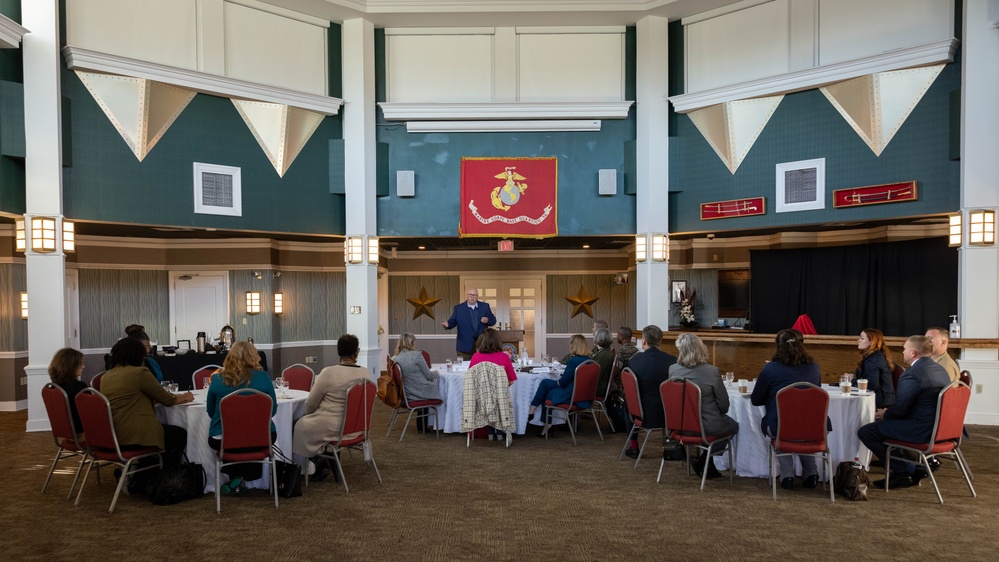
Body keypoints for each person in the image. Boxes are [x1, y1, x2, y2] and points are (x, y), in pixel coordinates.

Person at [858, 335, 952, 489]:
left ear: (913, 353)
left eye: (905, 349)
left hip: (922, 429)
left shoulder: (912, 374)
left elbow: (901, 409)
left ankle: (907, 470)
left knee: (867, 431)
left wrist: (885, 414)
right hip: (942, 428)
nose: (903, 352)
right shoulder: (940, 369)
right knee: (885, 424)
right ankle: (909, 467)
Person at [100, 338, 194, 489]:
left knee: (167, 432)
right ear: (137, 355)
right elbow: (167, 399)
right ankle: (161, 479)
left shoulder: (106, 377)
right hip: (136, 433)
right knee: (179, 434)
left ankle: (142, 476)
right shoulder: (139, 373)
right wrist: (186, 396)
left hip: (114, 433)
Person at [750, 329, 821, 490]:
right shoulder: (813, 367)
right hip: (814, 427)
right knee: (803, 426)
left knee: (783, 423)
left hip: (780, 426)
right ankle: (811, 472)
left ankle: (787, 474)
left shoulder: (771, 369)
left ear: (778, 347)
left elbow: (756, 400)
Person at [205, 341, 277, 493]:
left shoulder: (217, 379)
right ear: (254, 357)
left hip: (224, 441)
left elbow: (211, 412)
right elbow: (273, 410)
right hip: (261, 439)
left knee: (234, 441)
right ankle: (245, 478)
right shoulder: (263, 378)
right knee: (249, 440)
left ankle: (237, 477)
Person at [293, 334, 368, 479]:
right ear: (356, 352)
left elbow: (310, 404)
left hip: (331, 426)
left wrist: (309, 414)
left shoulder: (329, 372)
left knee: (298, 426)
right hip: (355, 426)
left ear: (338, 352)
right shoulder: (365, 373)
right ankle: (324, 457)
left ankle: (317, 462)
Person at [668, 333, 739, 478]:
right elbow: (724, 405)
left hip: (680, 425)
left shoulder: (672, 370)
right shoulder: (712, 371)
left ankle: (706, 462)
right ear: (700, 348)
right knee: (733, 426)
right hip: (707, 426)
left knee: (716, 424)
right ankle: (705, 459)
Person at [622, 325, 676, 459]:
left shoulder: (634, 361)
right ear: (660, 341)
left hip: (641, 414)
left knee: (626, 402)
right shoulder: (672, 362)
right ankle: (671, 448)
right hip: (669, 415)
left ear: (644, 341)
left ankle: (634, 446)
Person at [526, 334, 590, 437]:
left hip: (570, 394)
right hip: (583, 395)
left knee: (545, 384)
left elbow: (562, 382)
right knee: (546, 386)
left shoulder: (574, 361)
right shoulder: (589, 361)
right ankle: (546, 424)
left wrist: (557, 383)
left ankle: (532, 412)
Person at [468, 328, 518, 441]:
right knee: (500, 399)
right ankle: (499, 431)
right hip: (500, 399)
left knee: (489, 401)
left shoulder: (476, 357)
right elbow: (511, 381)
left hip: (481, 399)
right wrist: (498, 389)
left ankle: (490, 431)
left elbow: (472, 379)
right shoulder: (504, 357)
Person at [392, 332, 441, 433]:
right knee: (441, 386)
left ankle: (424, 426)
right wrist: (437, 373)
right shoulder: (416, 355)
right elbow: (429, 375)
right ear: (411, 343)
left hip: (406, 394)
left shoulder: (394, 358)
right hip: (420, 392)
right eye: (414, 341)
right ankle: (444, 424)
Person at [441, 289, 496, 361]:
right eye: (470, 295)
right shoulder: (459, 308)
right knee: (464, 368)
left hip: (483, 344)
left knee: (482, 366)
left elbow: (493, 320)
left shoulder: (485, 306)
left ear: (477, 296)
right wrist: (448, 324)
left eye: (474, 295)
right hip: (464, 345)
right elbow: (453, 321)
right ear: (467, 296)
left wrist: (487, 320)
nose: (472, 297)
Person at [48, 347, 88, 435]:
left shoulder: (53, 388)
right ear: (71, 366)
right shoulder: (79, 387)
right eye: (80, 363)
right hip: (83, 432)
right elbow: (91, 413)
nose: (83, 366)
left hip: (66, 432)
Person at [854, 328, 896, 408]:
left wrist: (852, 381)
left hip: (881, 403)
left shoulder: (874, 360)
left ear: (871, 342)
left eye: (862, 338)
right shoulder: (872, 356)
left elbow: (872, 384)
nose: (858, 341)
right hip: (881, 399)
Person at [591, 328, 615, 396]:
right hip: (600, 385)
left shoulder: (604, 355)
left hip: (598, 388)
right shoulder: (604, 352)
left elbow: (595, 374)